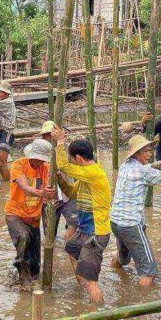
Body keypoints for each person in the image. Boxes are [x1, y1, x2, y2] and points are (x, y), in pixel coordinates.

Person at [52, 127, 112, 304]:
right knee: (70, 248)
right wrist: (60, 180)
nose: (72, 162)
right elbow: (71, 193)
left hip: (95, 233)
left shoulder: (94, 172)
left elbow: (63, 165)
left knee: (92, 282)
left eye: (73, 159)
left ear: (78, 158)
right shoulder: (85, 178)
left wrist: (61, 142)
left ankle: (95, 318)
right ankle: (82, 283)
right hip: (85, 230)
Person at [110, 134, 161, 287]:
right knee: (149, 271)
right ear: (136, 153)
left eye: (149, 150)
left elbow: (149, 167)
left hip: (116, 222)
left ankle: (116, 280)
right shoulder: (142, 171)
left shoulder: (126, 165)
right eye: (145, 151)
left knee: (123, 258)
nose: (149, 154)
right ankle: (140, 303)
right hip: (131, 224)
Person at [5, 138, 57, 289]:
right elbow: (25, 188)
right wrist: (43, 193)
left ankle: (31, 276)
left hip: (34, 217)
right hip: (15, 213)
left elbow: (50, 190)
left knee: (35, 265)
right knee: (23, 237)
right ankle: (20, 268)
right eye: (36, 158)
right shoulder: (18, 165)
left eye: (41, 160)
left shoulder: (47, 169)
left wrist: (49, 194)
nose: (38, 162)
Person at [38, 119, 77, 242]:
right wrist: (41, 195)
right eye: (47, 135)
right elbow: (36, 178)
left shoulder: (65, 150)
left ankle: (70, 248)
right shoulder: (39, 154)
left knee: (74, 224)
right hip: (49, 198)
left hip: (67, 196)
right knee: (49, 234)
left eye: (51, 134)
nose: (49, 137)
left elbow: (75, 171)